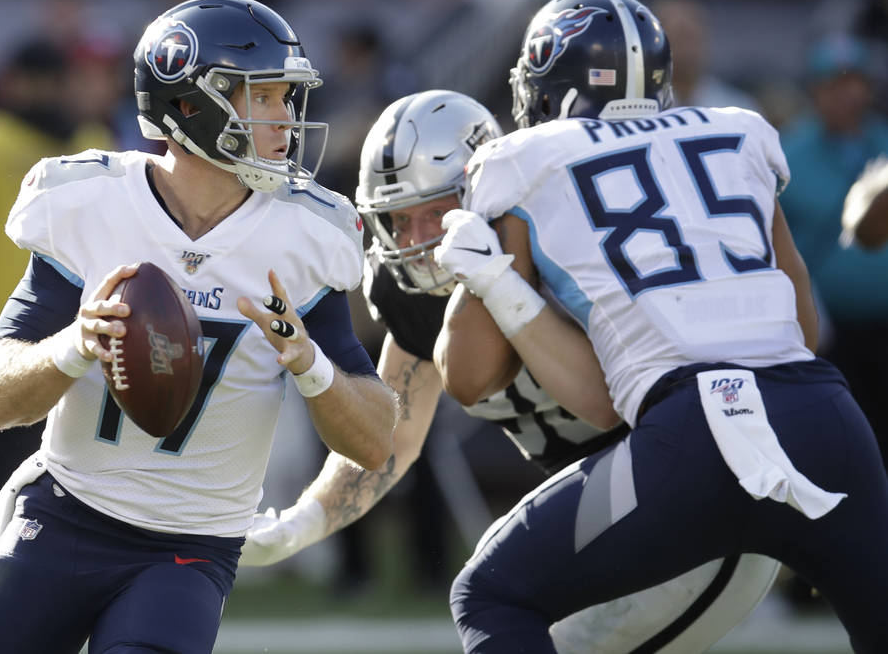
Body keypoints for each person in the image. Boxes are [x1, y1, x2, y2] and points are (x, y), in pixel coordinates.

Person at [241, 89, 782, 652]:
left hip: (689, 504)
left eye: (436, 212)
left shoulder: (568, 250)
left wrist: (506, 289)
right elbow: (395, 436)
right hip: (613, 520)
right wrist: (301, 525)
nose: (416, 243)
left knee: (497, 599)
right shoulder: (412, 296)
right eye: (398, 220)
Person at [432, 0, 888, 653]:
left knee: (491, 593)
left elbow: (468, 376)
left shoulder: (522, 161)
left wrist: (491, 281)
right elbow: (803, 324)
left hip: (693, 437)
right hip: (829, 421)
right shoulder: (736, 131)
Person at [0, 0, 397, 654]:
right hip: (65, 516)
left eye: (286, 97)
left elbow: (376, 440)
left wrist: (311, 364)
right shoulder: (91, 201)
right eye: (262, 98)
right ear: (188, 103)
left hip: (190, 546)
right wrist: (74, 346)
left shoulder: (306, 235)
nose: (285, 119)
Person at [0, 36, 114, 542]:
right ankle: (0, 553)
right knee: (13, 452)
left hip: (46, 322)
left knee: (22, 455)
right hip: (39, 322)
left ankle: (1, 555)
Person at [778, 34, 888, 467]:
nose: (846, 93)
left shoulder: (884, 140)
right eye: (833, 83)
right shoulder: (787, 153)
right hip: (824, 333)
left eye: (854, 81)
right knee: (840, 442)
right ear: (814, 91)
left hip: (885, 326)